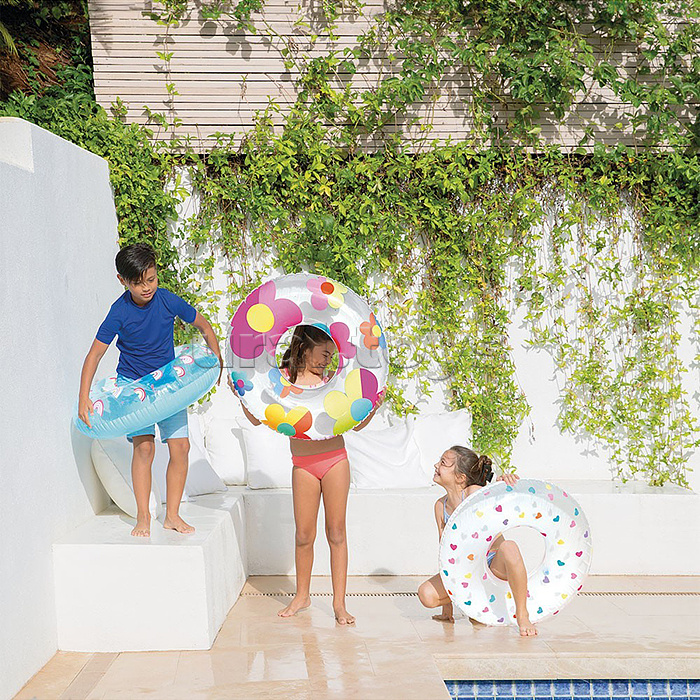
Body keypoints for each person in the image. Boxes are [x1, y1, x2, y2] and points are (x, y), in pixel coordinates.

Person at [235, 324, 381, 625]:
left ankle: (339, 604)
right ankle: (302, 596)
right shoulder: (283, 380)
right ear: (304, 348)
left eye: (331, 356)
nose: (328, 361)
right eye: (324, 354)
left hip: (335, 461)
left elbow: (355, 424)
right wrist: (241, 395)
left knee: (336, 532)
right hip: (303, 465)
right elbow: (259, 417)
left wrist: (373, 408)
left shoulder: (332, 381)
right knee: (303, 535)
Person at [78, 243, 222, 537]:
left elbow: (205, 327)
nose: (147, 288)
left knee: (181, 447)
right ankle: (143, 516)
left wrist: (217, 360)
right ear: (122, 280)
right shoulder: (119, 312)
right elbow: (94, 355)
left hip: (167, 384)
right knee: (144, 448)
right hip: (135, 386)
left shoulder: (167, 300)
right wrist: (83, 398)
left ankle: (173, 516)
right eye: (138, 283)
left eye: (151, 279)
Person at [417, 446, 538, 636]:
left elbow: (494, 497)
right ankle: (474, 604)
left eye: (443, 463)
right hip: (467, 570)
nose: (436, 465)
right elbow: (445, 551)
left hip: (493, 563)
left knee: (509, 547)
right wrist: (447, 607)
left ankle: (522, 614)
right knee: (426, 594)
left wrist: (502, 484)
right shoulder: (440, 506)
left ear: (460, 477)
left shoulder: (473, 493)